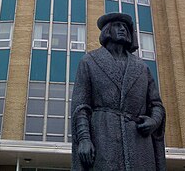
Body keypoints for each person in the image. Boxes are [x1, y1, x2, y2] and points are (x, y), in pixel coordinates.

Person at [71, 12, 166, 171]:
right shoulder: (89, 61)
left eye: (125, 27)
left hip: (139, 142)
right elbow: (81, 107)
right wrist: (84, 139)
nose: (123, 29)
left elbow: (156, 104)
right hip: (103, 136)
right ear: (107, 30)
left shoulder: (142, 67)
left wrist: (154, 121)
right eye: (117, 25)